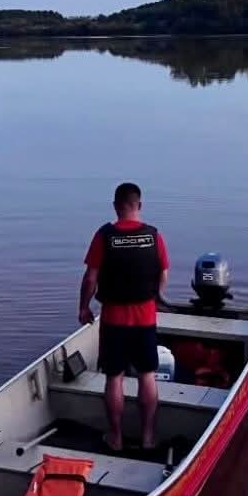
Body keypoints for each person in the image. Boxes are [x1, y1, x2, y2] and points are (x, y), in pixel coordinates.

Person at [77, 182, 170, 451]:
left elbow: (90, 278)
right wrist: (155, 298)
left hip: (114, 319)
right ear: (139, 206)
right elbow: (163, 275)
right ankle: (148, 437)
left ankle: (115, 437)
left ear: (116, 206)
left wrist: (84, 308)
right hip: (145, 318)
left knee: (114, 377)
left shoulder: (104, 235)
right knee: (147, 375)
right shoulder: (154, 236)